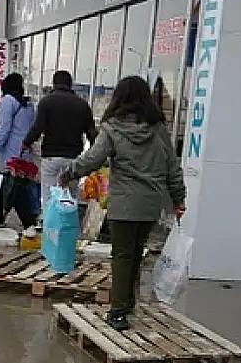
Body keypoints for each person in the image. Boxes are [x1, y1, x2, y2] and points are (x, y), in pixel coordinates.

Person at [59, 76, 186, 332]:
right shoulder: (158, 128)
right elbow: (172, 166)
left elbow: (93, 158)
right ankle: (127, 303)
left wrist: (70, 171)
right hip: (150, 204)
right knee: (135, 254)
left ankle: (118, 312)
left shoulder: (112, 128)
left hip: (124, 204)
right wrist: (178, 198)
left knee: (122, 256)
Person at [22, 70, 97, 215]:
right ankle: (66, 227)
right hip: (74, 158)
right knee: (70, 196)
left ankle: (49, 228)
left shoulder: (47, 102)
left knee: (49, 195)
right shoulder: (82, 105)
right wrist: (97, 155)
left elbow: (38, 127)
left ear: (54, 83)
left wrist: (26, 143)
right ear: (70, 84)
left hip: (51, 157)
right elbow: (91, 133)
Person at [0, 73, 36, 174]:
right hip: (25, 150)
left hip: (10, 151)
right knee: (22, 183)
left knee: (8, 184)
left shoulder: (8, 100)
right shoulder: (28, 105)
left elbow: (4, 127)